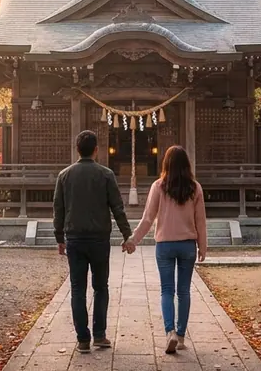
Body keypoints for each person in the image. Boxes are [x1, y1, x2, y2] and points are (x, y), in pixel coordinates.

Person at [53, 130, 134, 353]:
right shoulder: (106, 174)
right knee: (101, 287)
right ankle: (99, 335)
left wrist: (59, 237)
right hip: (99, 239)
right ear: (96, 150)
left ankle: (82, 339)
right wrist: (127, 235)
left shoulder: (64, 175)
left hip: (75, 238)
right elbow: (117, 207)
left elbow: (58, 209)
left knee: (77, 288)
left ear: (77, 149)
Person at [127, 145, 207, 355]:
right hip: (188, 244)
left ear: (166, 164)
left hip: (165, 245)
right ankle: (181, 336)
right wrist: (203, 246)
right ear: (186, 164)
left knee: (167, 290)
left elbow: (147, 218)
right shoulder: (195, 188)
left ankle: (169, 331)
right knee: (184, 291)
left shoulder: (158, 186)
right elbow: (201, 221)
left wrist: (134, 240)